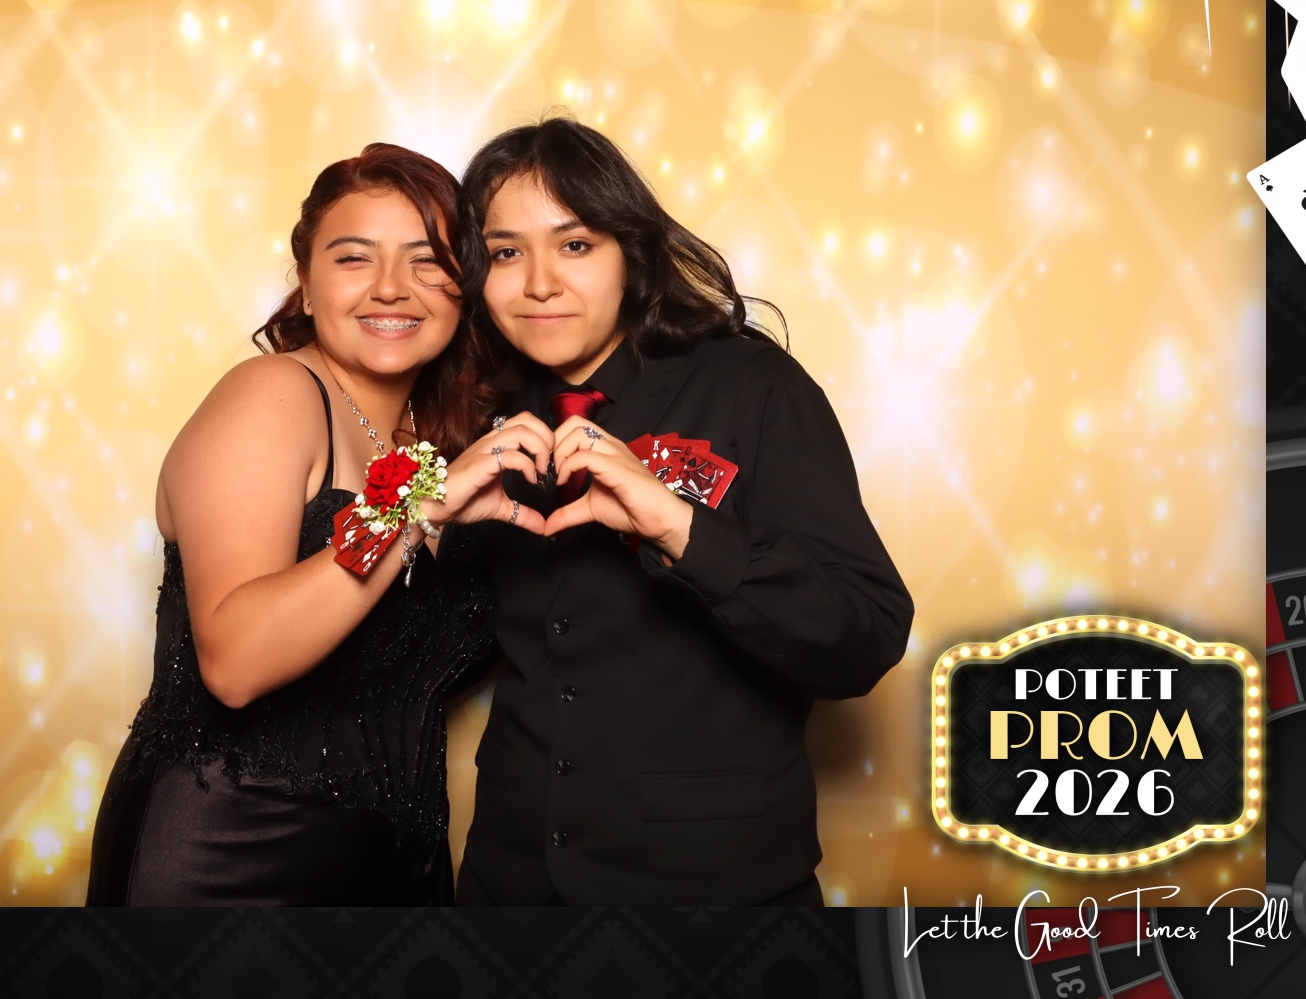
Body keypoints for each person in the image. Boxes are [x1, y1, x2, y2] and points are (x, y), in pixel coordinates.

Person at [451, 115, 914, 906]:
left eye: (574, 244)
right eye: (504, 252)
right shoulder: (482, 414)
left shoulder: (753, 387)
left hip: (714, 896)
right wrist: (425, 513)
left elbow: (863, 637)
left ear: (629, 254)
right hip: (513, 884)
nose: (538, 283)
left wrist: (678, 526)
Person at [87, 143, 538, 906]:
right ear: (306, 281)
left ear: (464, 287)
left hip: (402, 868)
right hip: (227, 853)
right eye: (354, 258)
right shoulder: (273, 395)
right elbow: (234, 661)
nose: (393, 289)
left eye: (428, 261)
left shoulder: (439, 447)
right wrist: (415, 516)